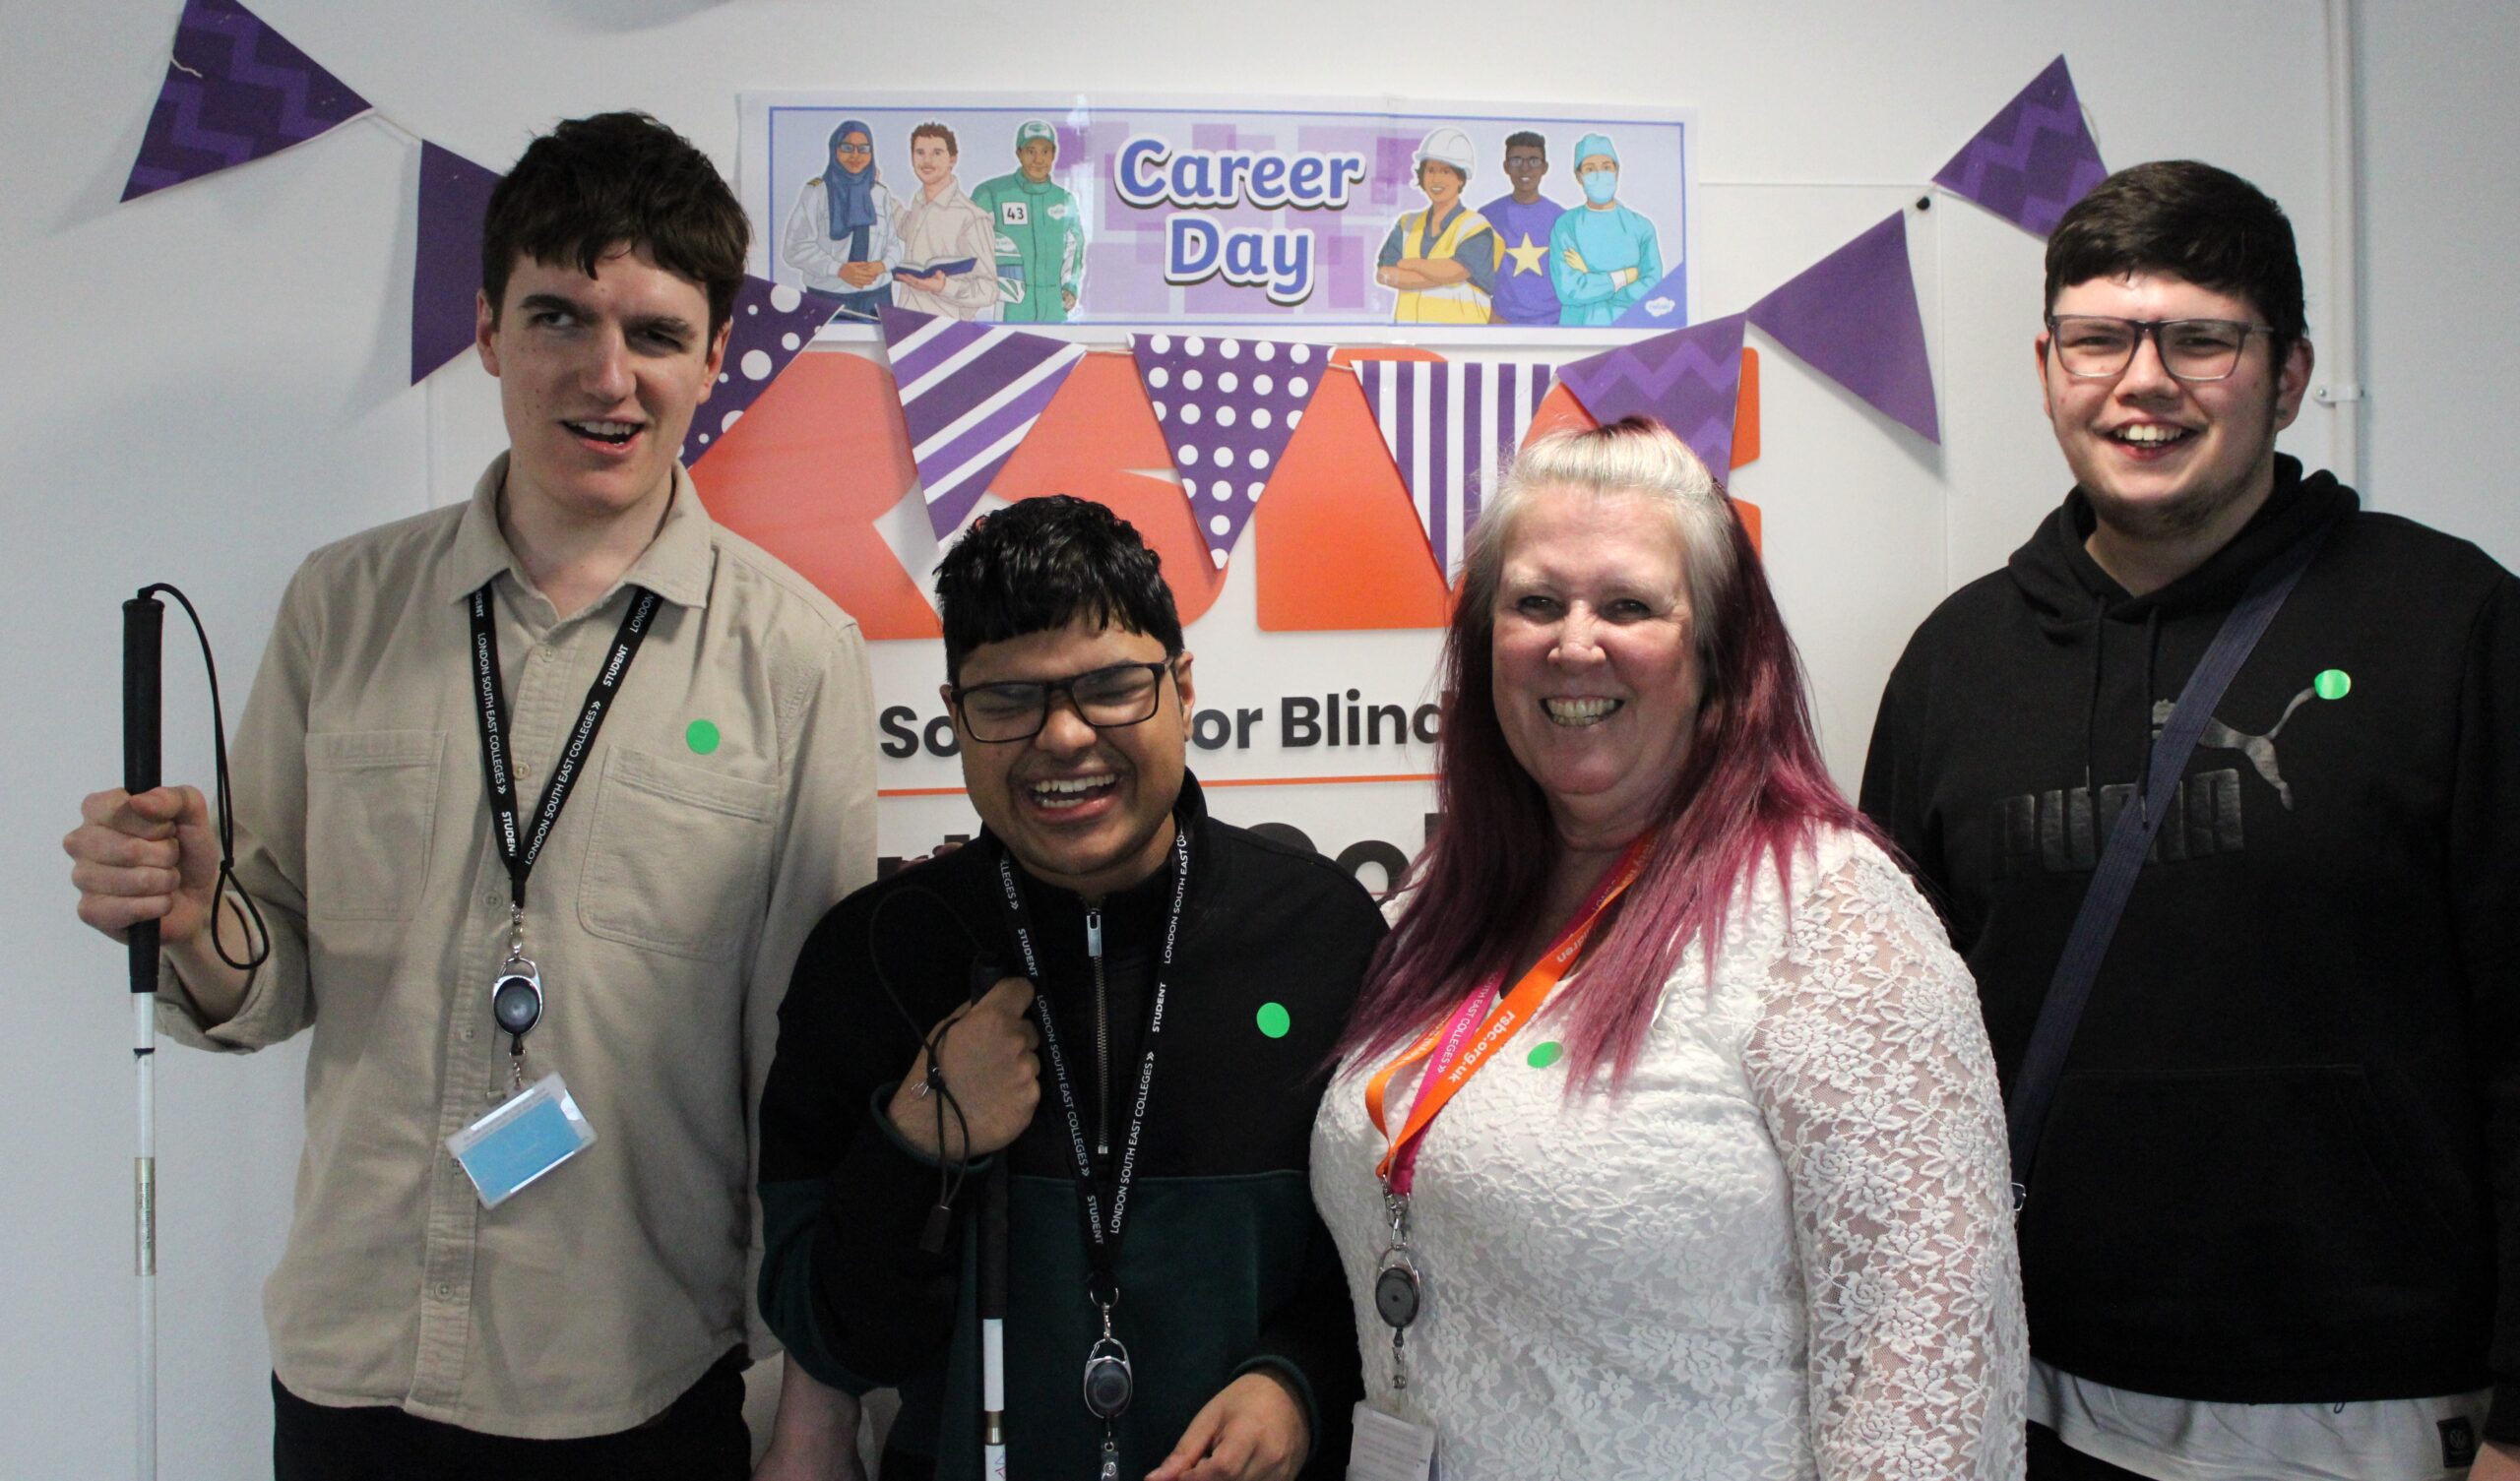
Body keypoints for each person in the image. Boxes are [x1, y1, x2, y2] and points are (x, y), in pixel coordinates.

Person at [61, 111, 877, 1479]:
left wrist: (815, 1402)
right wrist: (203, 919)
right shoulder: (342, 605)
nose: (607, 376)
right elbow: (267, 973)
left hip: (640, 1376)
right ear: (489, 327)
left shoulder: (798, 658)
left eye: (657, 334)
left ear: (714, 359)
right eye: (559, 317)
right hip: (354, 1359)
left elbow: (812, 1079)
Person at [1861, 158, 2520, 1481]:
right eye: (2100, 336)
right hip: (2026, 1392)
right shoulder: (1956, 661)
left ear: (2287, 374)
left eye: (2201, 338)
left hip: (2372, 1412)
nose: (2142, 379)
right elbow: (1885, 1065)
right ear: (2048, 365)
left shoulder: (2451, 625)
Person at [1311, 417, 2026, 1478]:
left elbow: (1925, 1384)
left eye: (1630, 604)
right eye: (1536, 602)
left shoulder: (1831, 920)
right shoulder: (1439, 902)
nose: (1573, 642)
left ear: (1717, 657)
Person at [758, 495, 1379, 1480]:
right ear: (955, 717)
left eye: (1110, 686)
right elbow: (832, 1337)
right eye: (1008, 699)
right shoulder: (875, 954)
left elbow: (1393, 1263)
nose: (1062, 735)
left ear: (1181, 686)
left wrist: (1297, 1379)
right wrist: (918, 1140)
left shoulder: (1320, 931)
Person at [782, 117, 904, 324]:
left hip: (877, 297)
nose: (856, 155)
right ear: (834, 150)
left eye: (864, 149)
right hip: (828, 298)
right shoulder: (817, 192)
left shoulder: (880, 193)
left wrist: (882, 265)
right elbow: (795, 248)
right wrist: (839, 269)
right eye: (847, 147)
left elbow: (894, 244)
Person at [1374, 126, 1499, 325]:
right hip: (1410, 342)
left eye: (1446, 171)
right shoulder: (1406, 223)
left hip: (1460, 343)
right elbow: (1384, 274)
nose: (1436, 179)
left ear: (1460, 178)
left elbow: (1456, 270)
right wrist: (1442, 275)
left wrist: (1410, 264)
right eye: (1431, 170)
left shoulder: (1475, 227)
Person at [971, 119, 1086, 324]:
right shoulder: (993, 193)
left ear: (1053, 153)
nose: (1038, 159)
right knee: (1006, 354)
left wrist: (1070, 288)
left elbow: (1073, 248)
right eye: (1030, 151)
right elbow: (968, 239)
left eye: (1045, 151)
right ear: (1019, 153)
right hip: (1010, 301)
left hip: (1053, 303)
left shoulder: (1064, 200)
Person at [891, 121, 1000, 322]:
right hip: (905, 324)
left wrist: (943, 287)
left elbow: (989, 289)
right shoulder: (919, 203)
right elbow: (903, 226)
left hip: (948, 334)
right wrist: (879, 191)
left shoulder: (971, 217)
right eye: (920, 152)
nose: (927, 161)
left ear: (952, 159)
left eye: (937, 153)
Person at [1547, 132, 1660, 325]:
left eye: (1606, 167)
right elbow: (1569, 290)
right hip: (1576, 332)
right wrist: (1624, 277)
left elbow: (1652, 285)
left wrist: (1591, 278)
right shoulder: (1566, 225)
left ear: (1617, 171)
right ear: (1578, 176)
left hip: (1629, 330)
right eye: (1590, 169)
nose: (1599, 174)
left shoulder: (1641, 227)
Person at [1478, 130, 1564, 327]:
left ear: (1545, 167)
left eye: (1533, 161)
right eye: (1516, 160)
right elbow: (1472, 279)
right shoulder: (1486, 217)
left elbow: (1573, 278)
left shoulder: (1563, 219)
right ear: (1506, 167)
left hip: (1556, 328)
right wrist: (1494, 320)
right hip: (1502, 327)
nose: (1525, 168)